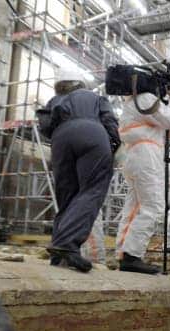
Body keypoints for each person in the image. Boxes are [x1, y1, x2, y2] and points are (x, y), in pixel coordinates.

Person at [38, 69, 120, 272]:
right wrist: (113, 145)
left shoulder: (54, 100)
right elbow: (110, 121)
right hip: (92, 132)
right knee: (92, 190)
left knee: (66, 196)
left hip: (60, 139)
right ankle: (68, 245)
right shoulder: (94, 97)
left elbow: (45, 126)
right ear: (81, 83)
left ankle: (59, 254)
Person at [115, 90, 170, 274]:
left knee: (134, 206)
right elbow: (168, 120)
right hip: (146, 155)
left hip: (135, 154)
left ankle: (124, 252)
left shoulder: (132, 102)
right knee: (153, 206)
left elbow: (168, 128)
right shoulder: (144, 98)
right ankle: (132, 255)